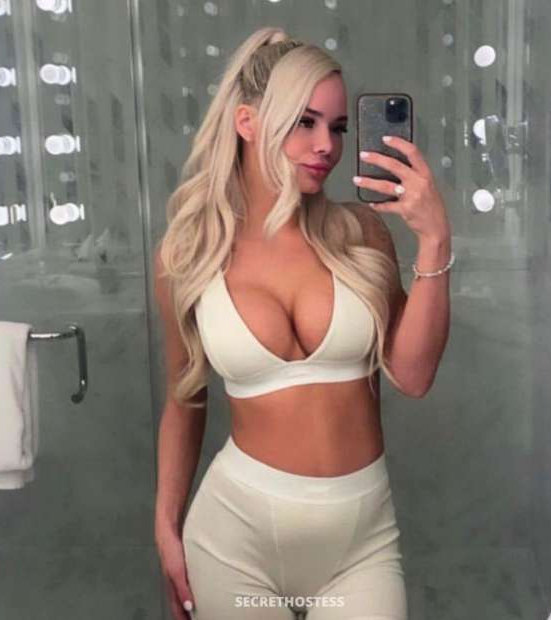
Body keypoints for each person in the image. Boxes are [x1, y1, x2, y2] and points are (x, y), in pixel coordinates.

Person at [154, 26, 452, 620]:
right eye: (305, 122)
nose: (326, 146)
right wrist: (166, 526)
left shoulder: (360, 233)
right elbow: (185, 399)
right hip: (234, 539)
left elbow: (413, 376)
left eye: (338, 128)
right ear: (247, 122)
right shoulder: (189, 255)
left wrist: (434, 240)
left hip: (361, 544)